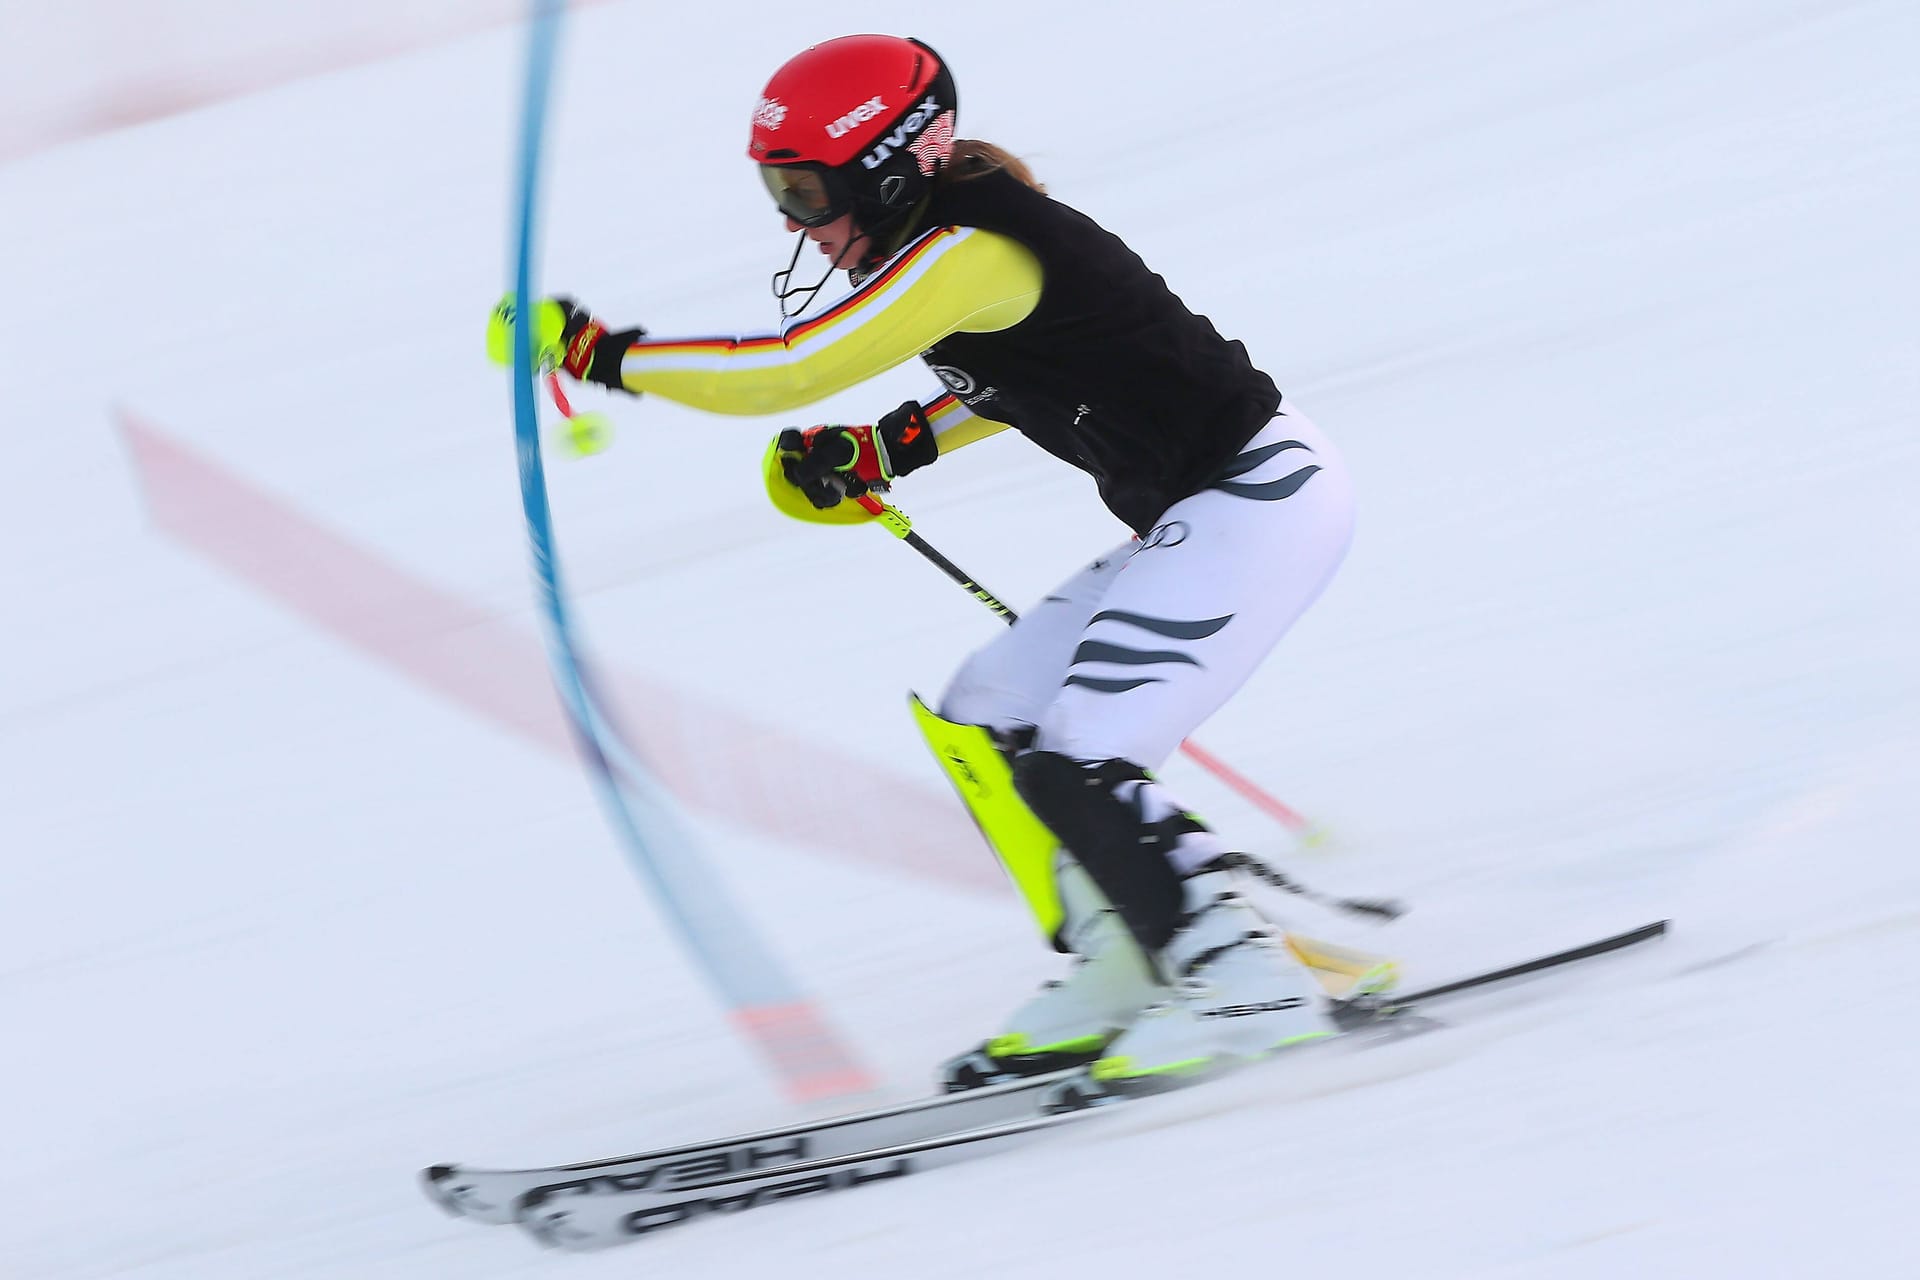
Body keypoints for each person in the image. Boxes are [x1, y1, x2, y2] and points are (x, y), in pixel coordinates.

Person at [490, 34, 1367, 1087]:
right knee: (989, 711)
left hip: (1261, 497)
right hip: (1201, 511)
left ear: (890, 167)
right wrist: (888, 450)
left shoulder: (971, 250)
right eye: (779, 189)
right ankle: (1130, 953)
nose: (791, 219)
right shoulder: (949, 255)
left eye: (807, 190)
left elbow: (791, 370)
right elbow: (1021, 381)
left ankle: (1247, 982)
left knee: (1080, 752)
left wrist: (602, 355)